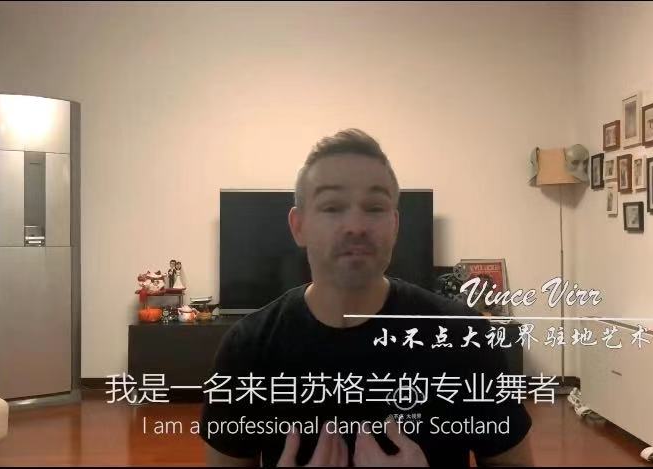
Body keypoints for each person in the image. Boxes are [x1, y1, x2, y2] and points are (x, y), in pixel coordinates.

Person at [200, 129, 533, 467]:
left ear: (395, 224)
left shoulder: (464, 337)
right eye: (332, 207)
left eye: (374, 208)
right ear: (298, 226)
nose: (356, 226)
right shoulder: (247, 348)